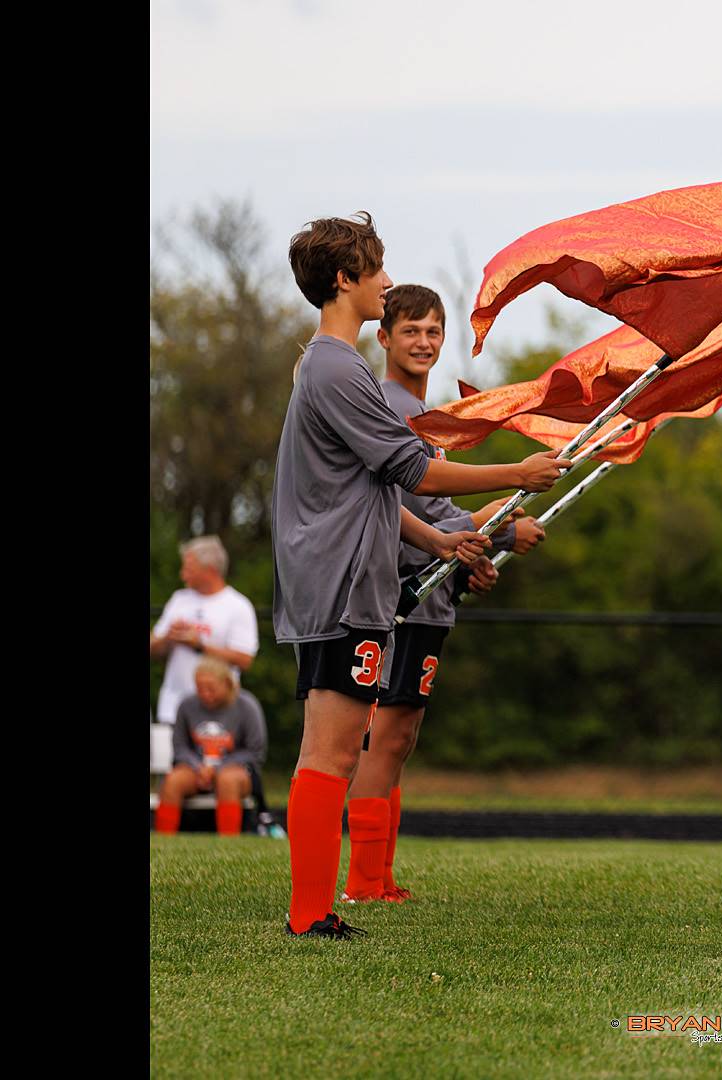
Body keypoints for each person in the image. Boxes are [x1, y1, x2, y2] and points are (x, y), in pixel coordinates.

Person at [275, 212, 569, 938]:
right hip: (344, 582)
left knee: (341, 746)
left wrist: (438, 539)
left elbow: (376, 486)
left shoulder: (331, 365)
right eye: (375, 269)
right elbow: (413, 467)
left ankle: (317, 908)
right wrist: (518, 471)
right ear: (343, 279)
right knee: (336, 749)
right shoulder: (338, 365)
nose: (385, 282)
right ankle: (311, 914)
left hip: (350, 576)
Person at [339, 284, 547, 905]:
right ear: (383, 338)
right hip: (395, 592)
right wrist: (501, 525)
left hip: (428, 592)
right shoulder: (386, 408)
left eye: (433, 331)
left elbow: (439, 509)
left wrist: (474, 555)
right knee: (383, 733)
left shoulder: (424, 418)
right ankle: (361, 883)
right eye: (411, 331)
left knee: (401, 737)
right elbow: (397, 506)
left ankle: (381, 877)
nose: (424, 343)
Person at [151, 536, 258, 727]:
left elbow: (245, 659)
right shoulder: (179, 599)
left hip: (219, 711)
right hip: (172, 708)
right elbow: (153, 648)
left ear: (210, 571)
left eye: (189, 569)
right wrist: (169, 637)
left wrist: (199, 645)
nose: (183, 575)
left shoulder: (238, 606)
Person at [156, 658, 267, 836]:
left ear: (227, 684)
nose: (205, 694)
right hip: (196, 770)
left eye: (211, 688)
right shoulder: (187, 706)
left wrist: (217, 768)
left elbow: (255, 751)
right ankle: (163, 841)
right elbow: (180, 746)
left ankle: (228, 842)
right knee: (172, 782)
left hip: (236, 771)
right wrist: (198, 767)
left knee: (227, 780)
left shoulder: (246, 706)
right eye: (200, 688)